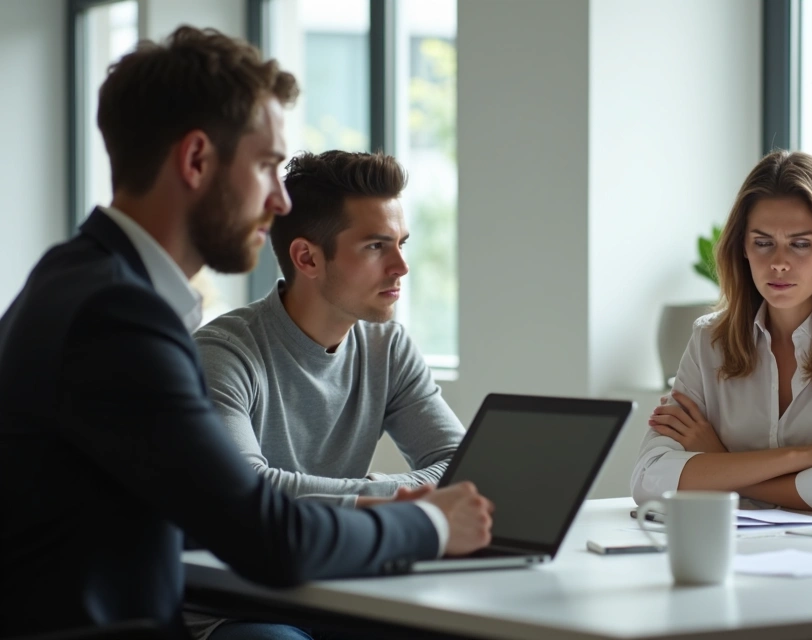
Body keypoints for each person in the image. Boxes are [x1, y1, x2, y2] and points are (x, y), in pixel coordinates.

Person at [0, 26, 492, 639]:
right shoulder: (116, 315)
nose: (281, 201)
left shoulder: (85, 284)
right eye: (266, 167)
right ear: (197, 160)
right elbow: (265, 532)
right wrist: (433, 523)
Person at [631, 150, 812, 516]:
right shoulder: (709, 339)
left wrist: (720, 461)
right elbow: (649, 479)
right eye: (763, 242)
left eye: (800, 244)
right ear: (743, 248)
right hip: (733, 554)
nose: (779, 262)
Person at [193, 150, 462, 510]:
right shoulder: (222, 355)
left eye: (402, 244)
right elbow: (244, 489)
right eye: (376, 246)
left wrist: (368, 493)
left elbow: (461, 466)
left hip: (345, 559)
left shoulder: (389, 350)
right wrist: (379, 498)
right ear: (307, 258)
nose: (401, 266)